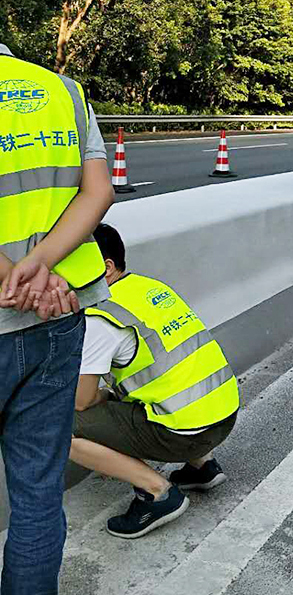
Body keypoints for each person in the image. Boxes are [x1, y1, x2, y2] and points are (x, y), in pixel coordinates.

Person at [0, 43, 115, 595]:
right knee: (38, 494)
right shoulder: (61, 90)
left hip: (25, 306)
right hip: (56, 319)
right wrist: (40, 269)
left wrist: (15, 276)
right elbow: (96, 194)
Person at [71, 223, 240, 539]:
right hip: (225, 415)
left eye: (70, 266)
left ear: (105, 267)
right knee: (136, 389)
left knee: (60, 425)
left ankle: (157, 493)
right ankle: (202, 466)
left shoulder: (101, 317)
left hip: (184, 434)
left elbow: (82, 401)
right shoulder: (149, 287)